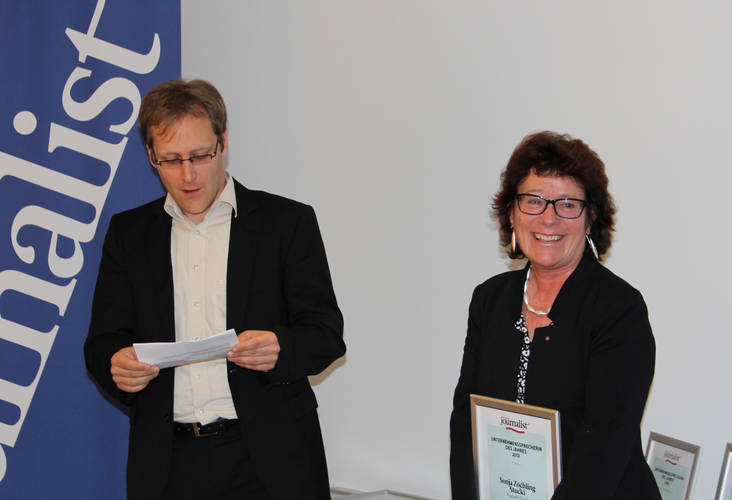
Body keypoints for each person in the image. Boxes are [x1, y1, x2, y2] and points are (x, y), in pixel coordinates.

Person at [84, 79, 345, 500]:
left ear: (222, 144)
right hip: (167, 461)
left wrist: (280, 347)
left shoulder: (286, 223)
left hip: (271, 460)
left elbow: (326, 335)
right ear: (150, 156)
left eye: (200, 156)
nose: (188, 175)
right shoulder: (129, 234)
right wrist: (118, 364)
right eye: (171, 160)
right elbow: (102, 343)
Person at [449, 131, 660, 499]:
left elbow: (604, 445)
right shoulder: (489, 300)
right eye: (533, 201)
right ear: (512, 214)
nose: (549, 218)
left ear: (590, 218)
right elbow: (465, 420)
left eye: (567, 204)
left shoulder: (619, 310)